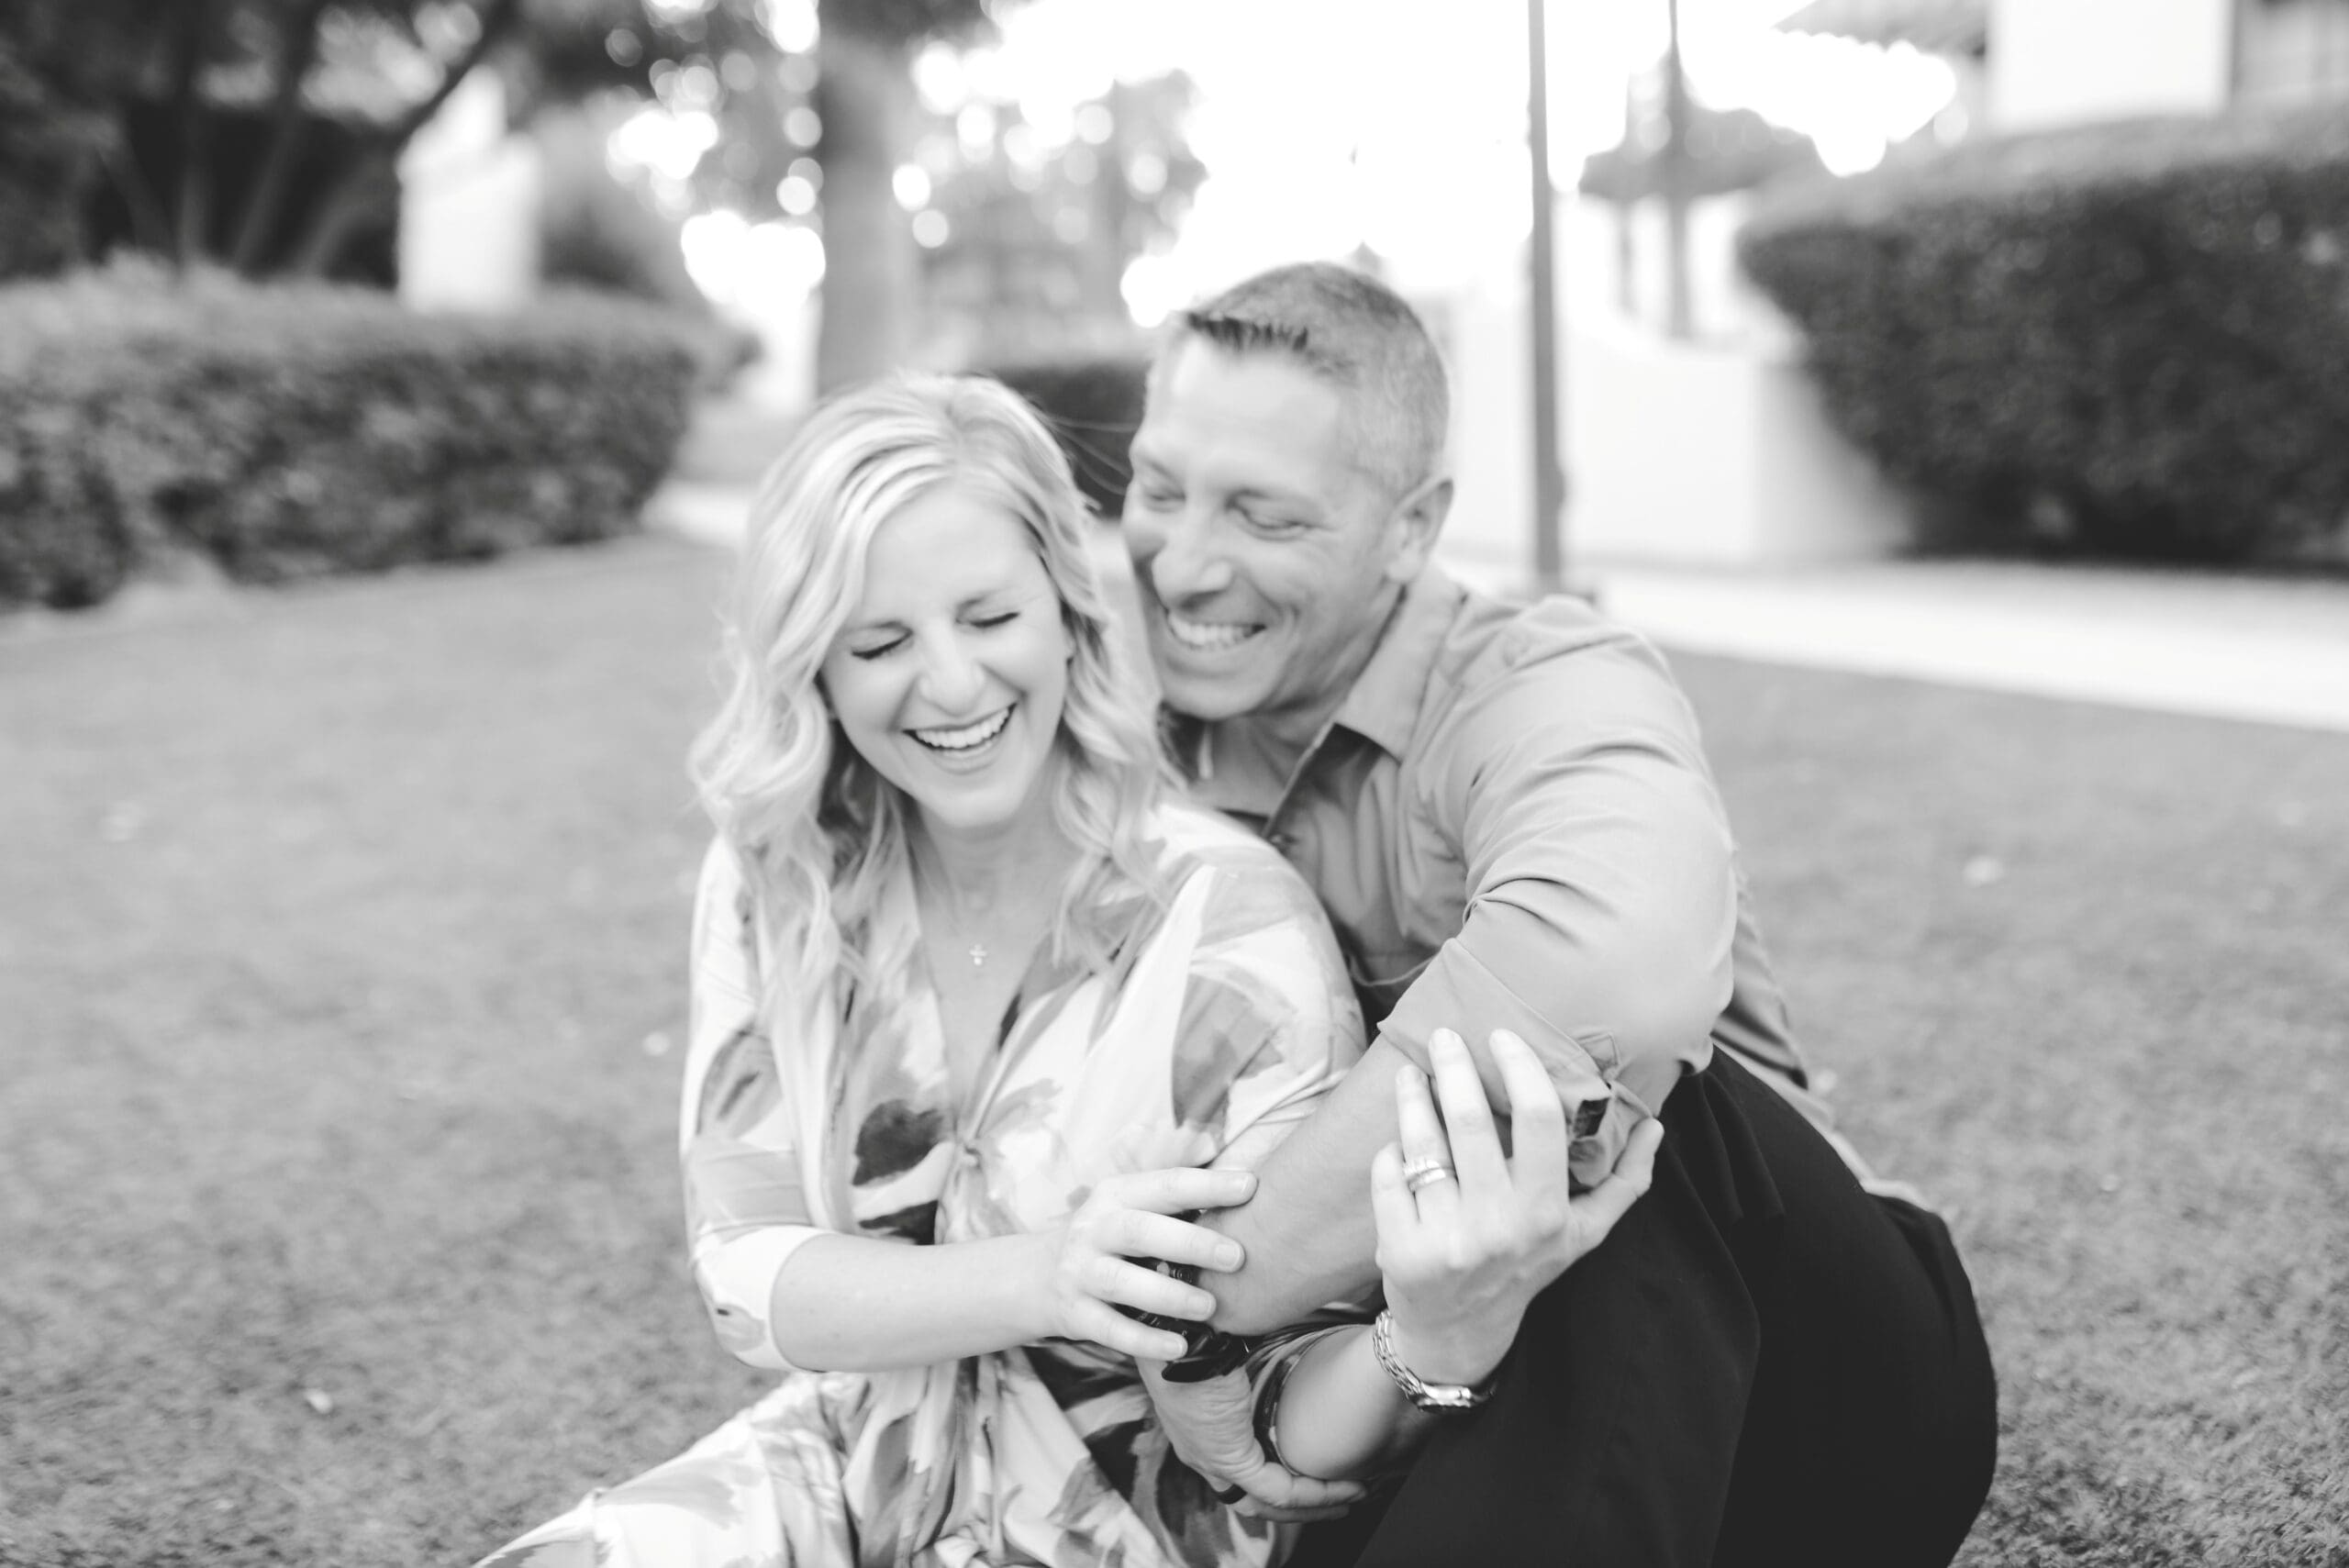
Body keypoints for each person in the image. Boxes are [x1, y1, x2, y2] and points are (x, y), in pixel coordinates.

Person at [473, 374, 1657, 1568]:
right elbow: (748, 1271)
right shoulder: (778, 878)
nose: (948, 683)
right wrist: (1052, 1273)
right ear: (815, 670)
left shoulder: (1232, 940)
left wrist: (1438, 1335)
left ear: (1065, 609)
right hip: (844, 1464)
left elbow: (1274, 1416)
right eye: (879, 641)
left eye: (988, 619)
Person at [1119, 263, 1999, 1568]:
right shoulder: (1119, 729)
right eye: (1157, 488)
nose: (1186, 562)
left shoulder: (1542, 679)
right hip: (1427, 1397)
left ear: (1412, 527)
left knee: (1581, 1104)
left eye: (1264, 514)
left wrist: (1210, 1295)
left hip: (1808, 1382)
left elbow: (1617, 974)